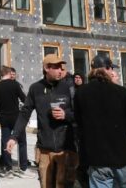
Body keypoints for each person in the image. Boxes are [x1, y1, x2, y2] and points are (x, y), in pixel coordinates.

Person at [9, 54, 78, 188]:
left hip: (65, 149)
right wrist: (14, 136)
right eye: (56, 67)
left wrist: (66, 115)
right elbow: (25, 113)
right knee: (45, 185)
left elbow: (79, 114)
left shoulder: (68, 87)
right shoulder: (36, 88)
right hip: (44, 149)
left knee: (63, 185)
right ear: (47, 68)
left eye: (61, 67)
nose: (60, 70)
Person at [73, 54, 126, 188]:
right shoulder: (122, 92)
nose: (113, 72)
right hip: (122, 155)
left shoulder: (81, 93)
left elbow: (79, 122)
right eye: (111, 69)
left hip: (96, 156)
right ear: (107, 69)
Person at [0, 65, 29, 176]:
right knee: (22, 142)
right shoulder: (15, 85)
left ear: (1, 74)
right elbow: (25, 99)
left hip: (4, 118)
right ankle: (23, 167)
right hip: (17, 118)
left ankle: (8, 167)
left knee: (5, 142)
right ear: (9, 73)